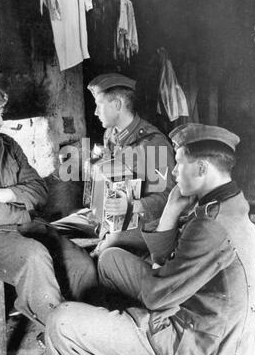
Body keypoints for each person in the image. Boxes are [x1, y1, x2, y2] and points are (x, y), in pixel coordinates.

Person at [45, 122, 255, 355]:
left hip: (196, 352)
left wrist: (145, 299)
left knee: (62, 322)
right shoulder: (227, 203)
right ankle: (109, 338)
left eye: (180, 163)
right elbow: (173, 262)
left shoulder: (211, 225)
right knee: (111, 259)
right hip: (207, 328)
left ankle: (106, 341)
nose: (174, 172)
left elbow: (157, 297)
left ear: (202, 168)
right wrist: (170, 211)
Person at [0, 82, 97, 327]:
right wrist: (23, 209)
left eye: (1, 114)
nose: (0, 121)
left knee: (82, 264)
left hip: (27, 227)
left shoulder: (8, 145)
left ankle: (91, 330)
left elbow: (39, 190)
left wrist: (7, 194)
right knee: (34, 257)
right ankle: (61, 334)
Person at [58, 73, 175, 255]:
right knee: (51, 229)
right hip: (104, 216)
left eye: (98, 105)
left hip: (136, 223)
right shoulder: (111, 134)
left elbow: (168, 197)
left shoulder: (152, 143)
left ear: (118, 105)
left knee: (93, 255)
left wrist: (131, 205)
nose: (95, 112)